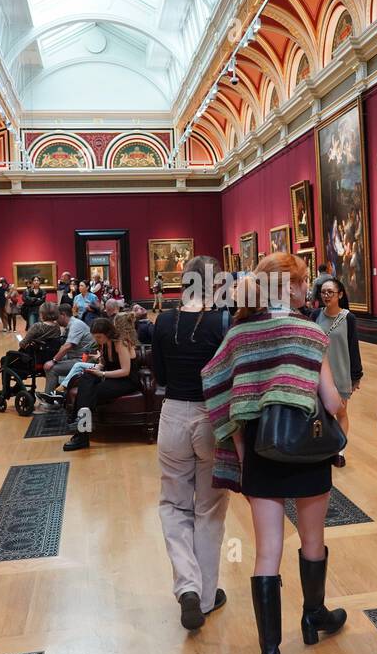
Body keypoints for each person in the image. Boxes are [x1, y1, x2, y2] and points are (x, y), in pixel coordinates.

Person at [200, 253, 347, 654]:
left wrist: (244, 456)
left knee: (266, 552)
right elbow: (333, 399)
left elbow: (221, 393)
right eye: (302, 283)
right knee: (312, 539)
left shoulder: (239, 335)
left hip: (261, 453)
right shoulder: (310, 333)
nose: (307, 290)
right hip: (307, 450)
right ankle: (313, 616)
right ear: (291, 286)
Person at [154, 256, 231, 629]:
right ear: (215, 285)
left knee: (173, 504)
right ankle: (204, 596)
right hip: (211, 417)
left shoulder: (165, 321)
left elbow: (161, 375)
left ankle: (187, 585)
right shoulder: (222, 322)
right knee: (210, 509)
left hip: (173, 415)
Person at [62, 314, 141, 452]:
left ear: (108, 333)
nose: (96, 339)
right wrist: (98, 367)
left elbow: (125, 371)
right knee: (86, 378)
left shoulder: (121, 343)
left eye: (98, 336)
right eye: (95, 336)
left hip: (127, 381)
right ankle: (81, 428)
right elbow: (105, 363)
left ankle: (80, 430)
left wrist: (102, 373)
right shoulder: (105, 343)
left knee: (90, 392)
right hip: (112, 377)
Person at [313, 277, 362, 467]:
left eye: (330, 292)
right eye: (323, 292)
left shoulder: (348, 318)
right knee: (322, 415)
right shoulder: (315, 315)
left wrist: (356, 376)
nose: (326, 296)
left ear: (340, 294)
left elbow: (353, 348)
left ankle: (339, 451)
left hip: (340, 373)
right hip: (318, 374)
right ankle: (323, 449)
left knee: (341, 412)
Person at [37, 305, 100, 407]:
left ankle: (48, 402)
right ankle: (57, 396)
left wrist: (53, 361)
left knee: (51, 368)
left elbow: (67, 346)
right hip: (78, 357)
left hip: (84, 360)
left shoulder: (76, 325)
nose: (55, 320)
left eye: (57, 317)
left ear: (63, 315)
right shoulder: (70, 326)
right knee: (51, 362)